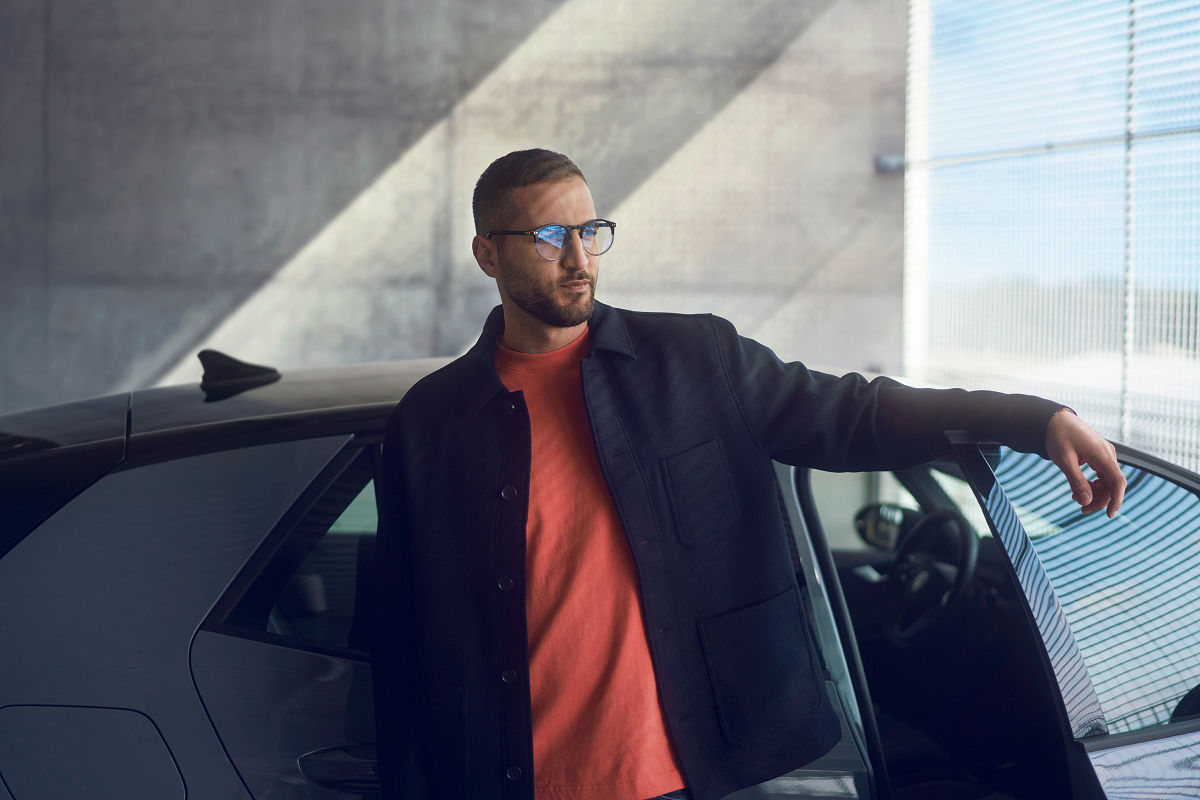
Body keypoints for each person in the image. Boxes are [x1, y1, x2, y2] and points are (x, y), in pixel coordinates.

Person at [371, 148, 1125, 800]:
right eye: (547, 236)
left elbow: (857, 413)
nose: (579, 257)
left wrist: (1031, 419)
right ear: (487, 255)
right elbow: (402, 633)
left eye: (590, 230)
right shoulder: (430, 423)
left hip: (682, 774)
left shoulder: (695, 362)